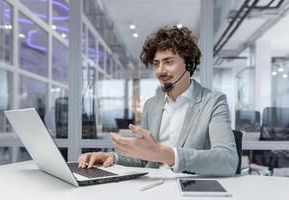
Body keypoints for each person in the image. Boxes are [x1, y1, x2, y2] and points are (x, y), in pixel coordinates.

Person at [78, 25, 238, 176]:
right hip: (154, 189)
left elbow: (228, 160)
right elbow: (143, 158)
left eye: (168, 62)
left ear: (189, 64)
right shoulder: (152, 105)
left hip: (191, 190)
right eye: (156, 64)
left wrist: (167, 155)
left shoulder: (213, 102)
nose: (160, 71)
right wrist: (113, 157)